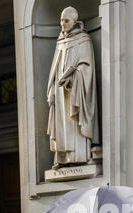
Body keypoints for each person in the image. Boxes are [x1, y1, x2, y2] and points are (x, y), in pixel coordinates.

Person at [47, 6, 99, 170]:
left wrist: (74, 76)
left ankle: (79, 157)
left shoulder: (84, 39)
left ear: (75, 21)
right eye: (61, 20)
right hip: (60, 91)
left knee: (74, 122)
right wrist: (52, 89)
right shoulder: (60, 41)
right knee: (61, 123)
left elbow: (87, 67)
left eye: (66, 20)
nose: (63, 24)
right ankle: (62, 159)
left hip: (75, 90)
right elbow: (54, 69)